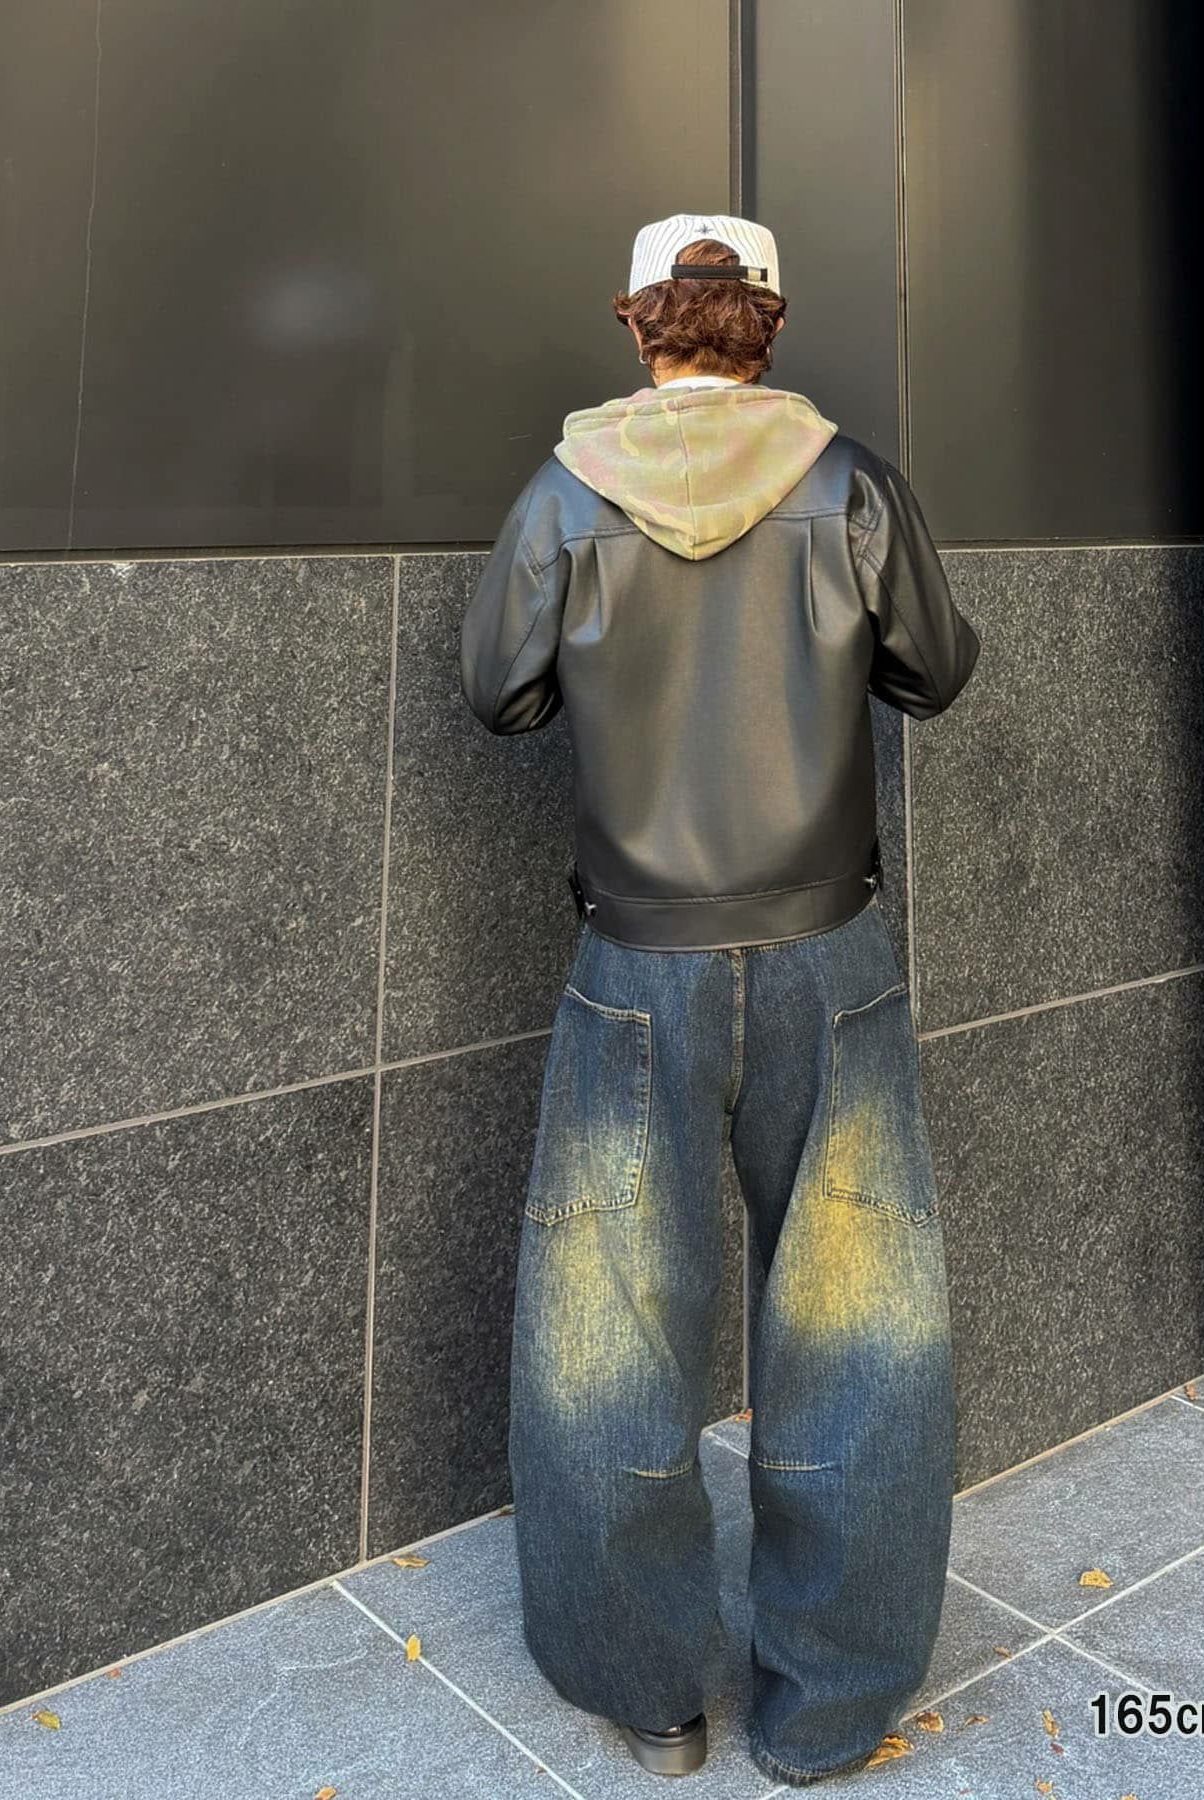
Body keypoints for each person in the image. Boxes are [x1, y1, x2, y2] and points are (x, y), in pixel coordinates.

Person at [459, 212, 979, 1787]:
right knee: (861, 1337)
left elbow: (499, 692)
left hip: (634, 965)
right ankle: (825, 1716)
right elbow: (935, 671)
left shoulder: (566, 492)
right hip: (831, 958)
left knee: (609, 1328)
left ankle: (653, 1697)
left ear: (639, 322)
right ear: (769, 320)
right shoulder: (853, 483)